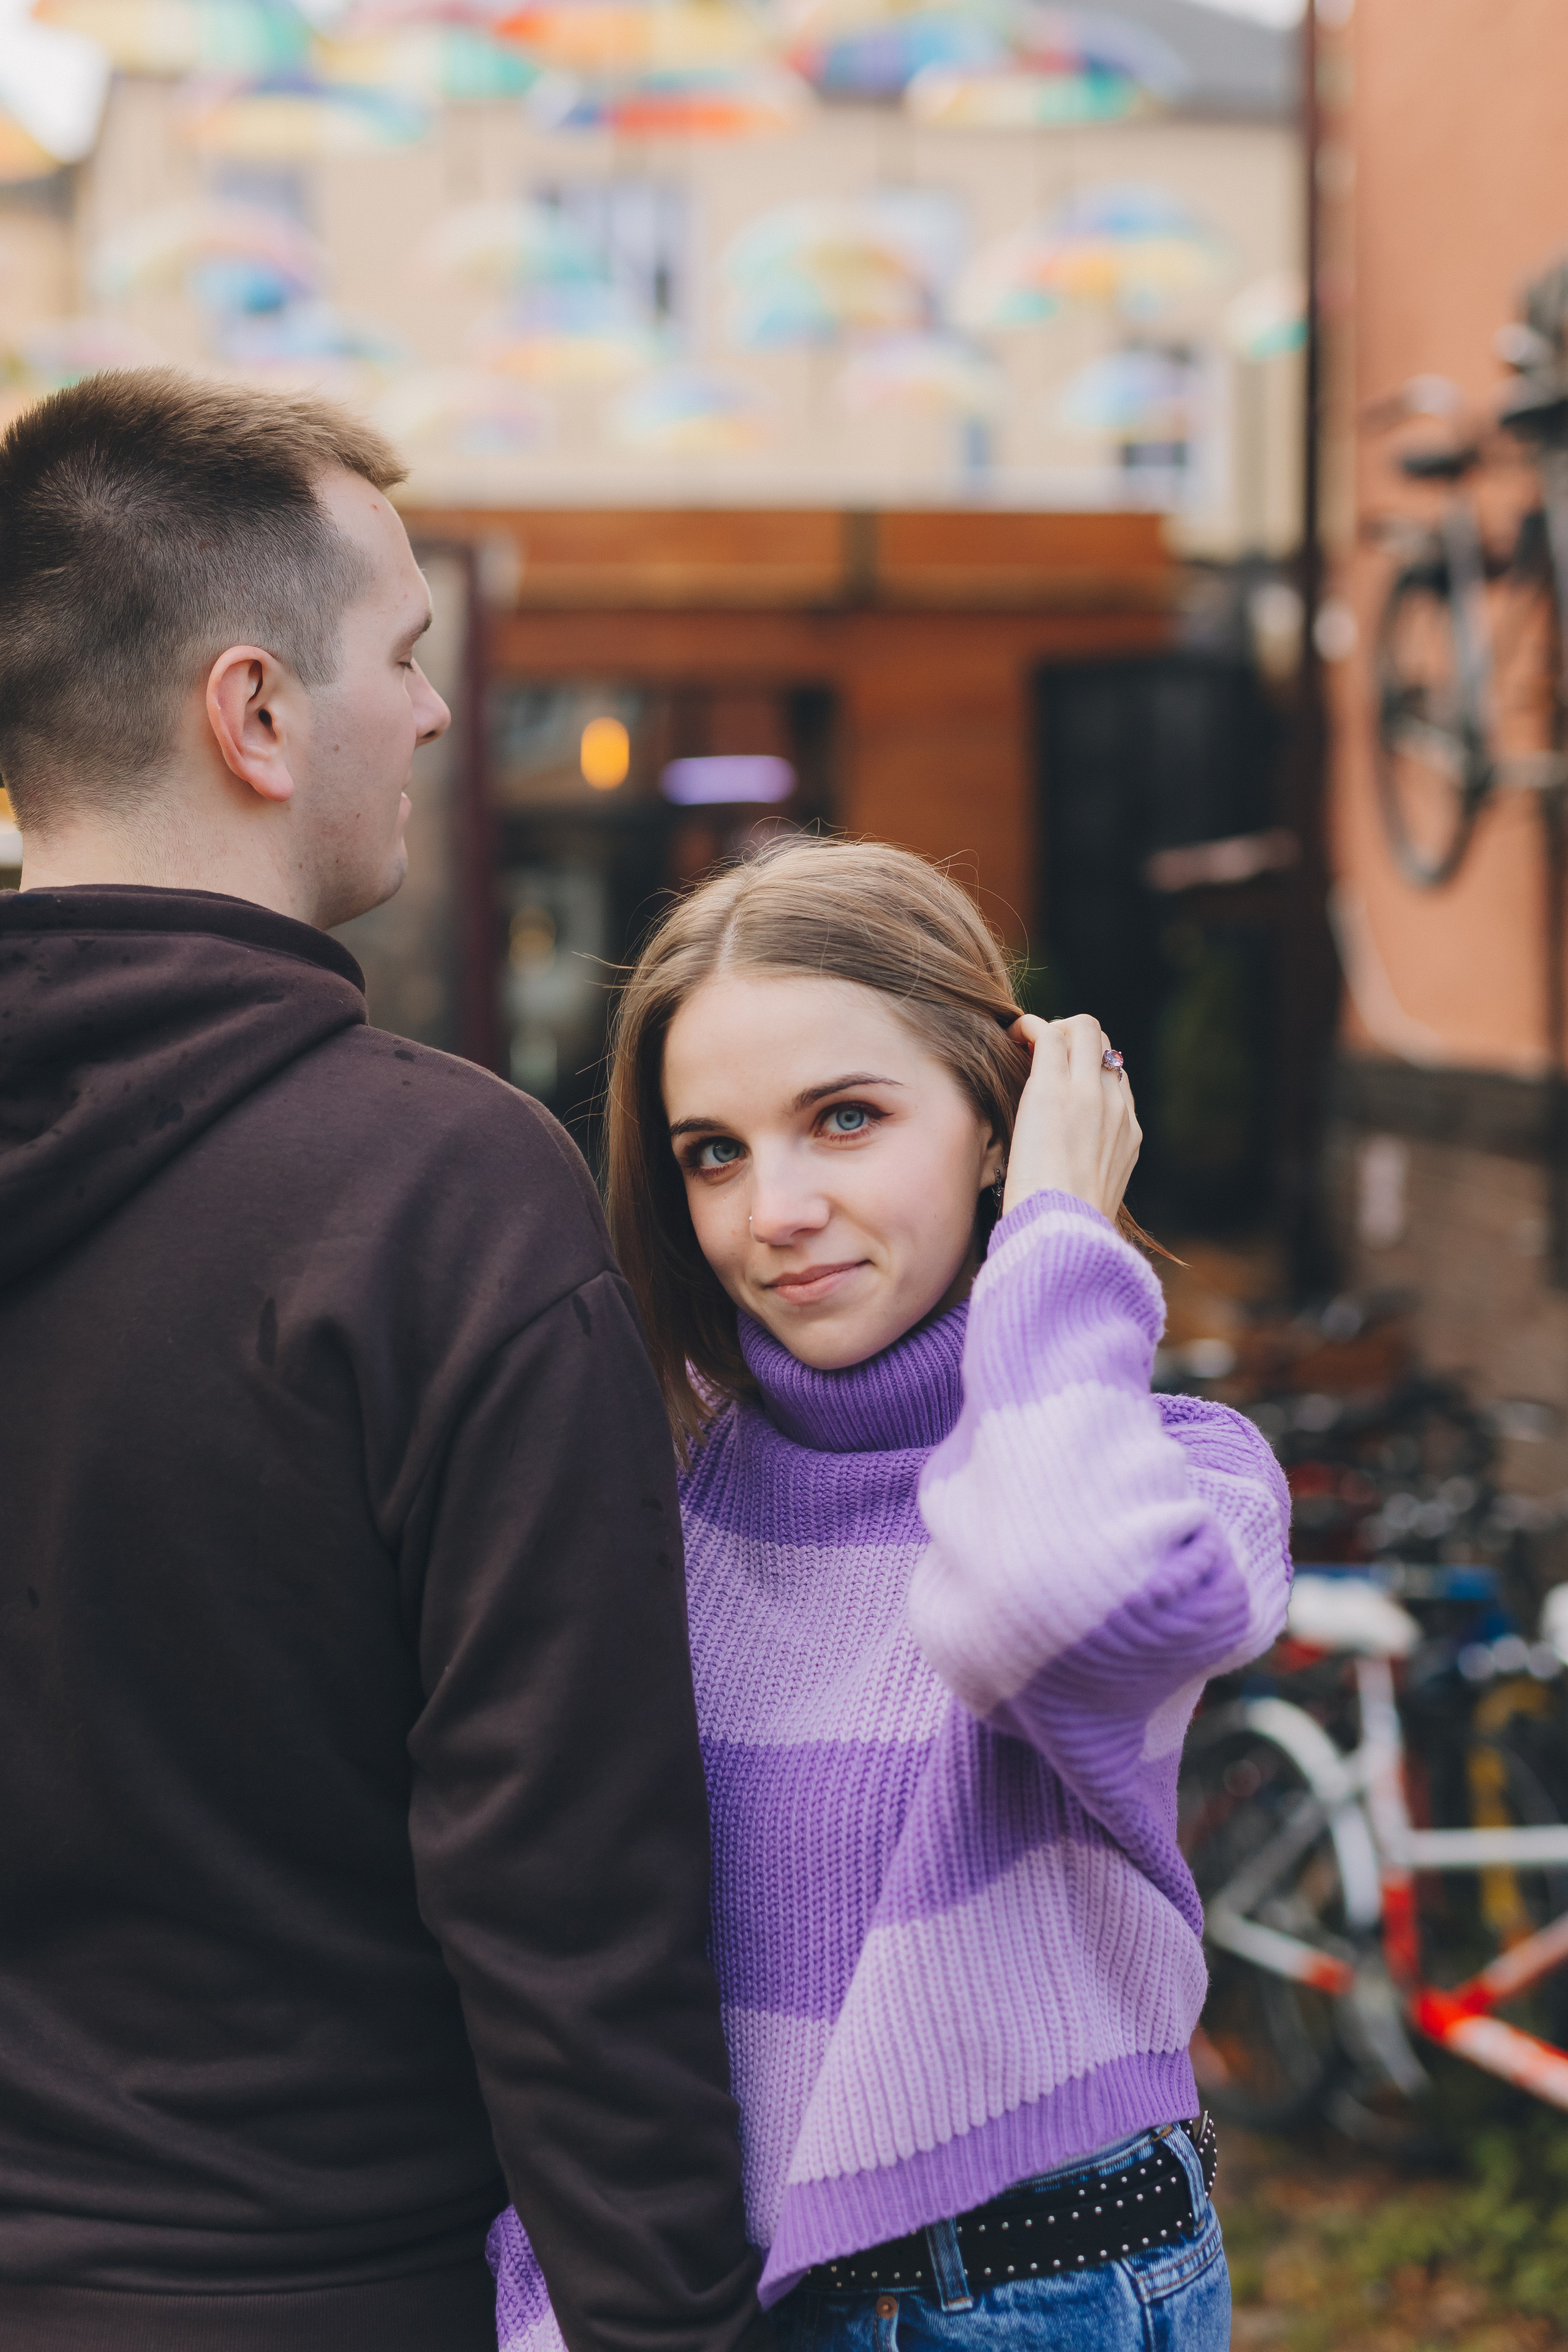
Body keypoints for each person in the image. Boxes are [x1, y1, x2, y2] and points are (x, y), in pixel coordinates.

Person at [0, 371, 771, 2352]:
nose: (435, 712)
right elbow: (569, 1889)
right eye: (405, 655)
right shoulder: (443, 1197)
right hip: (321, 2289)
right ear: (254, 713)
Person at [488, 836, 1292, 2352]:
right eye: (711, 1150)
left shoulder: (1176, 1474)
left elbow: (1042, 1601)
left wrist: (1058, 1234)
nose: (770, 1209)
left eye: (843, 1118)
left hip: (1026, 2293)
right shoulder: (650, 1476)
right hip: (705, 2297)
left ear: (995, 1127)